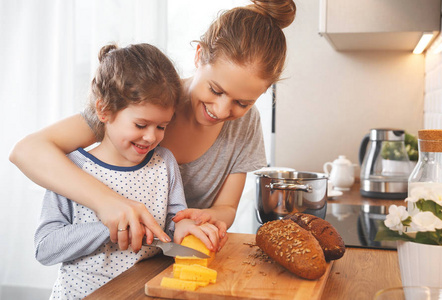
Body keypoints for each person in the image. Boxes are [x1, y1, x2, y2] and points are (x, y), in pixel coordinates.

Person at [10, 0, 297, 253]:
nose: (222, 111)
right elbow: (27, 151)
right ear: (198, 56)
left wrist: (198, 221)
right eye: (216, 90)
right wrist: (108, 204)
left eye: (242, 103)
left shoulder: (245, 126)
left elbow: (227, 208)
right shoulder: (147, 102)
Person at [34, 43, 220, 300]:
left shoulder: (165, 162)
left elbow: (174, 220)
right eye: (141, 124)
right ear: (104, 110)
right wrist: (107, 228)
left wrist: (185, 226)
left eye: (162, 126)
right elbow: (45, 249)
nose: (151, 137)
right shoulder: (71, 169)